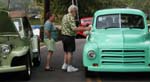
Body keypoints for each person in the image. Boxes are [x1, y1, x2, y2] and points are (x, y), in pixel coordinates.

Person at [61, 5, 91, 72]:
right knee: (70, 52)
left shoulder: (65, 16)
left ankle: (64, 65)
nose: (76, 13)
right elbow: (74, 28)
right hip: (69, 37)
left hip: (63, 36)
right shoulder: (71, 17)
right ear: (73, 11)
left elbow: (66, 27)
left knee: (66, 51)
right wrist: (86, 28)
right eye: (76, 11)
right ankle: (69, 67)